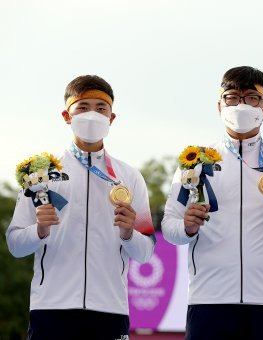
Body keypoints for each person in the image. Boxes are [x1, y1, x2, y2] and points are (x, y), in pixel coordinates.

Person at [162, 66, 263, 340]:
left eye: (251, 97)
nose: (241, 105)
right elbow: (169, 228)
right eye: (232, 97)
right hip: (208, 301)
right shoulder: (195, 163)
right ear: (219, 106)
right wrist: (187, 227)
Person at [6, 75, 155, 340]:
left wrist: (129, 233)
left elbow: (145, 253)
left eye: (101, 108)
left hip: (110, 310)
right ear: (66, 115)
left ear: (112, 118)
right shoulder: (40, 173)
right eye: (83, 107)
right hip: (51, 308)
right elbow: (16, 245)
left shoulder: (129, 177)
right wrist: (39, 230)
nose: (92, 115)